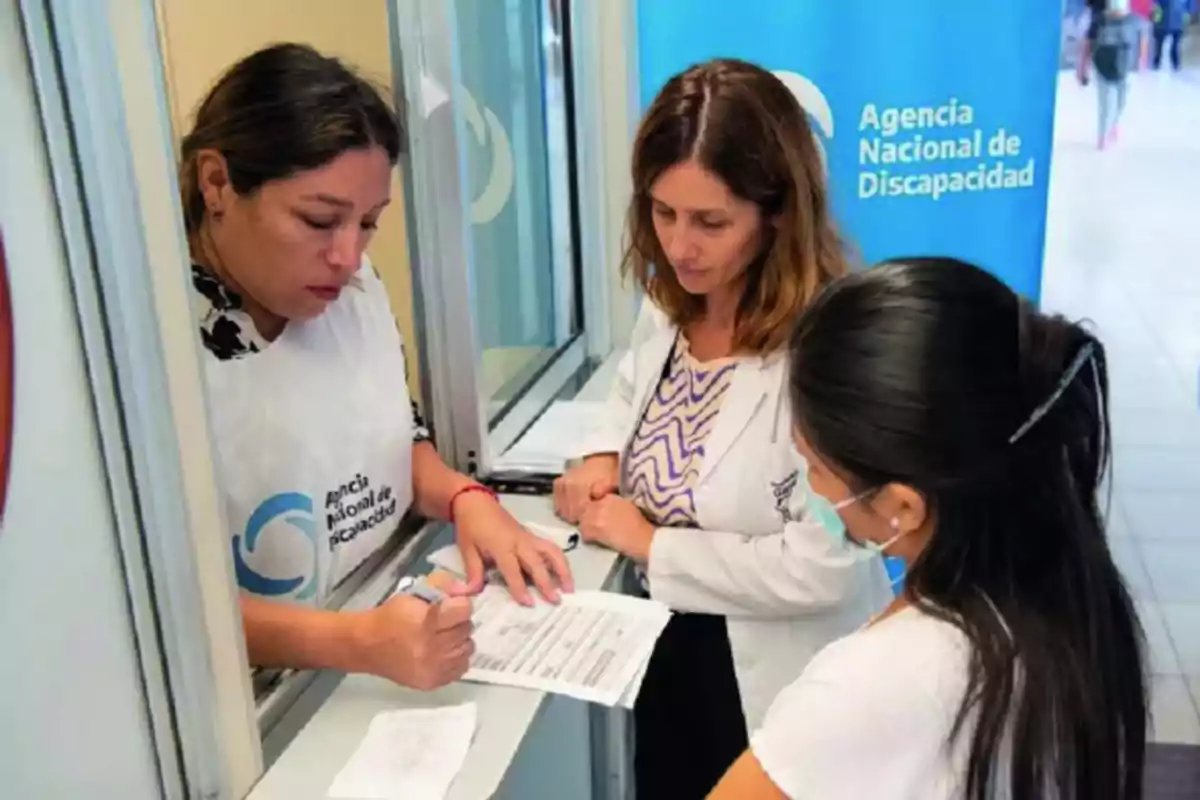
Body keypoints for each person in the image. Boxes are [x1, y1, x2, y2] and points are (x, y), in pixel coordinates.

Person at [180, 43, 572, 691]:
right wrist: (357, 642)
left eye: (368, 224)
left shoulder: (351, 289)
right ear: (216, 183)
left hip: (373, 616)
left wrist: (464, 497)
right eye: (319, 220)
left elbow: (393, 439)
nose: (347, 255)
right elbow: (165, 608)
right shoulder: (153, 350)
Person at [553, 59, 888, 799]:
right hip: (659, 651)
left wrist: (650, 543)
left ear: (777, 212)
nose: (681, 246)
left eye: (711, 222)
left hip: (763, 675)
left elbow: (825, 561)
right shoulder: (674, 301)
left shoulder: (828, 344)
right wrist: (604, 452)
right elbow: (631, 392)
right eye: (662, 213)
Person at [710, 258, 1147, 800]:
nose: (812, 488)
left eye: (815, 468)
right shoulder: (1075, 596)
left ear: (903, 507)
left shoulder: (865, 687)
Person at [1079, 0, 1138, 149]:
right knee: (1106, 102)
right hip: (1103, 64)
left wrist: (1138, 62)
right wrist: (1082, 67)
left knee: (1121, 101)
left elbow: (1138, 40)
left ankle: (1114, 125)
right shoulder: (1099, 20)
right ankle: (1102, 136)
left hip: (1124, 66)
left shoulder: (1131, 20)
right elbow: (1088, 42)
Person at [1152, 0, 1194, 70]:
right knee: (1163, 44)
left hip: (1174, 20)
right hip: (1166, 19)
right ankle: (1171, 63)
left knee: (1172, 44)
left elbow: (1190, 8)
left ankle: (1171, 63)